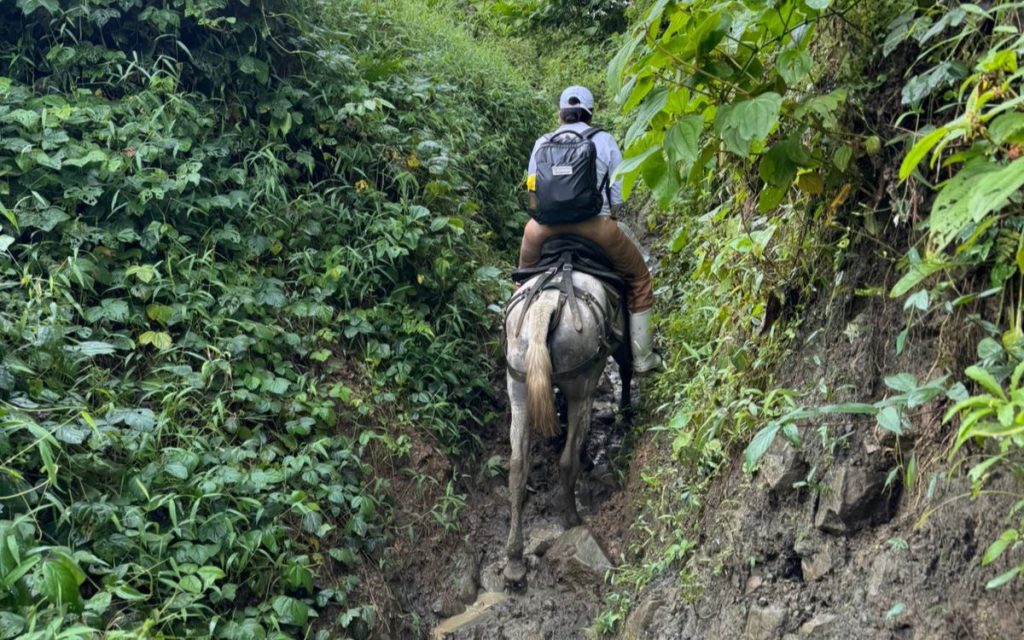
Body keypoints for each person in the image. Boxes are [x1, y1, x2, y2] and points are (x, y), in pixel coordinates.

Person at [521, 85, 662, 373]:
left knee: (522, 284)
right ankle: (644, 358)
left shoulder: (542, 142)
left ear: (560, 114)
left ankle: (517, 337)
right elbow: (619, 194)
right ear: (590, 112)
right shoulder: (605, 140)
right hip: (596, 228)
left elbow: (533, 191)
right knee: (640, 280)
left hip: (542, 230)